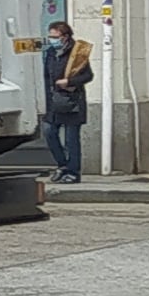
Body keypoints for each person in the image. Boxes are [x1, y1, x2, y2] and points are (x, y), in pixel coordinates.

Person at [43, 20, 92, 182]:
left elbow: (87, 75)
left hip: (72, 102)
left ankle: (73, 171)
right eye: (50, 36)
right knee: (49, 132)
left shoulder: (77, 54)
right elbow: (46, 75)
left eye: (55, 36)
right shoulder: (50, 52)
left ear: (65, 36)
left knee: (71, 139)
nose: (52, 40)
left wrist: (69, 82)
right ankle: (62, 165)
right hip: (54, 101)